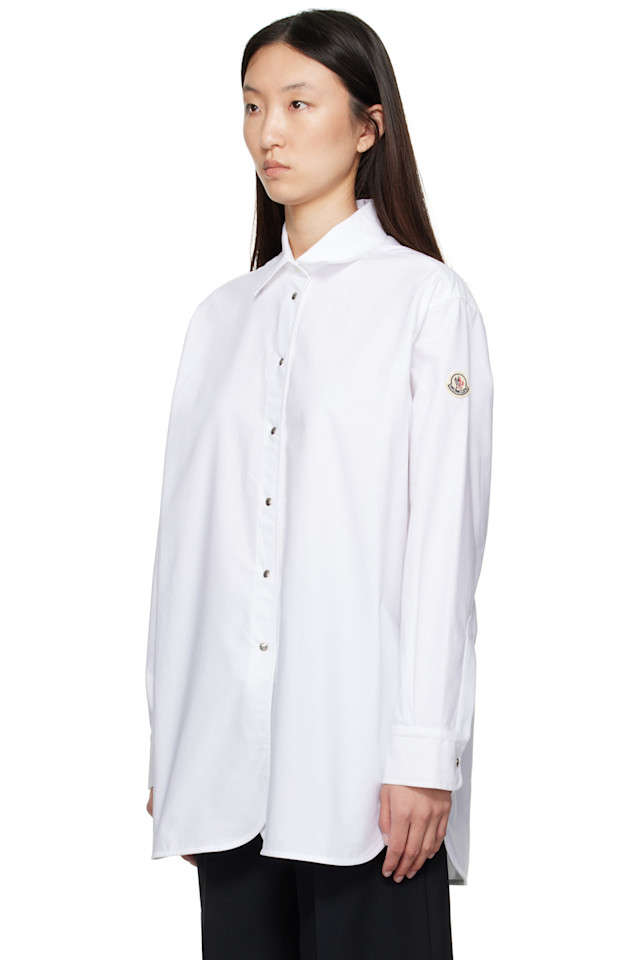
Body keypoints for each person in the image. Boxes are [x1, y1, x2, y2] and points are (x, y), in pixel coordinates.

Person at [144, 9, 494, 959]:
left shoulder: (426, 302)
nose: (269, 131)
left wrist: (424, 754)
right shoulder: (219, 319)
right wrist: (177, 746)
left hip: (365, 770)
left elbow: (441, 545)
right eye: (253, 105)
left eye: (299, 104)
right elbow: (186, 552)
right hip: (227, 769)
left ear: (369, 126)